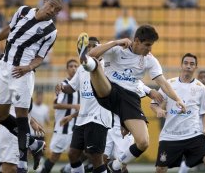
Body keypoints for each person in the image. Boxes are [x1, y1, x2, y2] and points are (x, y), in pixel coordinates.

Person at [77, 24, 185, 172]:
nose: (149, 49)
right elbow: (94, 53)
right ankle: (85, 62)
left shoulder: (149, 60)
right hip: (110, 90)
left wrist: (178, 99)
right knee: (94, 62)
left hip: (130, 98)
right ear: (137, 41)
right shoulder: (117, 48)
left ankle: (116, 165)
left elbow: (163, 83)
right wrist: (115, 42)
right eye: (147, 45)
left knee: (143, 142)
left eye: (151, 45)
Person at [0, 0, 63, 172]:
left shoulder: (51, 31)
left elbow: (40, 57)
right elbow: (9, 29)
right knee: (1, 115)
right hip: (4, 67)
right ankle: (35, 145)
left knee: (21, 118)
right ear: (44, 3)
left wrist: (28, 67)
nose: (52, 11)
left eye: (56, 11)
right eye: (51, 6)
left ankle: (22, 165)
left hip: (22, 73)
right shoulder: (23, 11)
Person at [150, 53, 205, 173]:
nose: (188, 66)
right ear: (181, 65)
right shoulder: (169, 84)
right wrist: (159, 110)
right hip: (170, 135)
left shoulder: (200, 87)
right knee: (161, 169)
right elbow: (153, 104)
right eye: (186, 63)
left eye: (192, 64)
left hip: (193, 134)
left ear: (195, 68)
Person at [56, 36, 113, 173]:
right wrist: (62, 86)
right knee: (73, 154)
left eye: (95, 46)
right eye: (89, 47)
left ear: (100, 48)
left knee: (95, 158)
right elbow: (71, 87)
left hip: (98, 118)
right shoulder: (82, 68)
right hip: (82, 119)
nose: (92, 49)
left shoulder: (107, 66)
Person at [0, 101, 45, 173]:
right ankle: (34, 144)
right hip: (10, 130)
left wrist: (32, 121)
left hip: (13, 131)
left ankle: (34, 144)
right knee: (10, 168)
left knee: (11, 168)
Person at [40, 59, 79, 173]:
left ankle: (67, 169)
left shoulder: (81, 85)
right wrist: (74, 106)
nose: (74, 68)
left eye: (76, 66)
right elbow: (55, 105)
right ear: (67, 69)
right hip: (63, 128)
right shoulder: (63, 85)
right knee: (55, 156)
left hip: (77, 127)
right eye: (71, 66)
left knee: (86, 152)